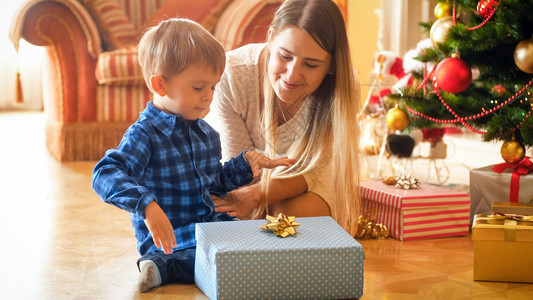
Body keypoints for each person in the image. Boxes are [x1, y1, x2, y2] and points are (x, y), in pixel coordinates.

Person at [92, 18, 295, 293]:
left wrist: (245, 164)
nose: (209, 96)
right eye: (199, 88)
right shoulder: (145, 134)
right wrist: (147, 207)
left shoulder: (206, 135)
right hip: (170, 239)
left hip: (211, 228)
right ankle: (161, 266)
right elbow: (105, 173)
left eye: (213, 87)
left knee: (250, 238)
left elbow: (214, 185)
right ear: (160, 85)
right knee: (198, 256)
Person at [206, 0, 361, 236]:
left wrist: (257, 196)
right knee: (259, 219)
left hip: (306, 179)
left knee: (287, 216)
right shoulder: (233, 75)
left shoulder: (344, 88)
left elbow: (311, 169)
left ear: (331, 65)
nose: (292, 75)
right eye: (284, 56)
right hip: (236, 177)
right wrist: (248, 196)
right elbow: (237, 169)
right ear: (270, 38)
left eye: (310, 64)